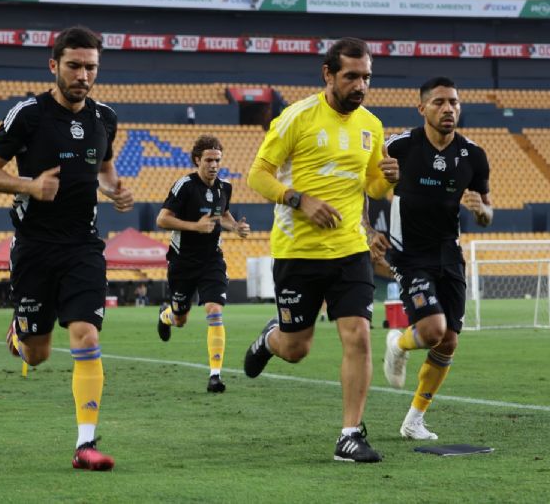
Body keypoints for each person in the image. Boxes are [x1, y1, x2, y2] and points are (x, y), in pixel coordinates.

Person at [0, 25, 133, 471]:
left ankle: (85, 445)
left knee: (87, 334)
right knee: (38, 353)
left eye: (91, 67)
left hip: (83, 246)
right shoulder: (27, 114)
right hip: (34, 247)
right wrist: (29, 185)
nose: (83, 75)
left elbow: (104, 169)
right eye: (75, 66)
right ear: (54, 66)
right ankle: (19, 334)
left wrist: (114, 190)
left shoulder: (106, 117)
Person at [242, 37, 399, 463]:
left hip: (349, 249)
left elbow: (372, 186)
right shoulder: (297, 117)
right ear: (328, 75)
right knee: (297, 349)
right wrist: (300, 200)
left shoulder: (371, 124)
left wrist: (389, 179)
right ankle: (269, 339)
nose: (360, 85)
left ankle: (350, 434)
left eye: (366, 77)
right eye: (351, 76)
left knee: (359, 337)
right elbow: (257, 175)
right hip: (298, 251)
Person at [381, 76, 493, 441]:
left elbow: (487, 209)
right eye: (440, 102)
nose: (448, 109)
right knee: (431, 331)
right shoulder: (398, 146)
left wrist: (482, 213)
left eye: (454, 102)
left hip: (449, 252)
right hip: (410, 252)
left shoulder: (473, 156)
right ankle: (397, 343)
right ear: (422, 108)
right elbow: (366, 184)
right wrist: (369, 231)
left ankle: (413, 420)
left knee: (449, 342)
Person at [155, 135, 250, 393]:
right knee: (180, 318)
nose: (213, 165)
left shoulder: (224, 187)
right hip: (182, 262)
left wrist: (235, 227)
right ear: (197, 160)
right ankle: (166, 316)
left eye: (217, 160)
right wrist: (194, 227)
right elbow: (162, 219)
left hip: (212, 260)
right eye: (208, 160)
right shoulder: (184, 186)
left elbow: (223, 214)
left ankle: (215, 376)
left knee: (214, 311)